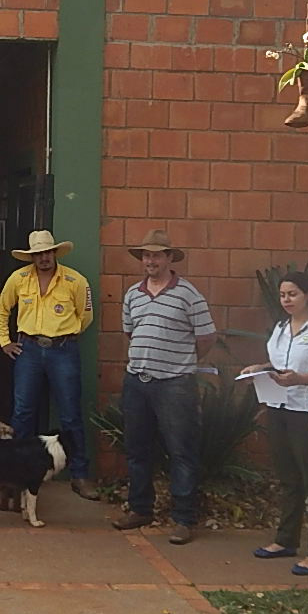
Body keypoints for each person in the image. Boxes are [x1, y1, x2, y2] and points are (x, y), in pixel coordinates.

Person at [109, 230, 217, 543]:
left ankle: (183, 519)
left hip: (175, 385)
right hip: (137, 382)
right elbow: (132, 334)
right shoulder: (132, 294)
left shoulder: (189, 295)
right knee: (137, 450)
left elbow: (206, 337)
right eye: (146, 255)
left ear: (170, 258)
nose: (150, 261)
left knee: (182, 452)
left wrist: (179, 363)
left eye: (157, 255)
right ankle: (141, 508)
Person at [0, 229, 100, 500]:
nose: (43, 258)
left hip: (63, 349)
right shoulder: (18, 279)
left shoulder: (75, 280)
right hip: (27, 349)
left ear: (55, 253)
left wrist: (66, 334)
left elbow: (85, 316)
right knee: (23, 413)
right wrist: (5, 341)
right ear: (32, 257)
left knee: (70, 414)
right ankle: (13, 473)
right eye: (38, 254)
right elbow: (1, 309)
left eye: (47, 252)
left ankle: (79, 474)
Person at [248, 271, 308, 575]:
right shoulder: (281, 327)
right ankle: (286, 540)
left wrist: (302, 380)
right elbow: (279, 364)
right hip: (279, 407)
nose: (287, 300)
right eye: (283, 295)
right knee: (288, 479)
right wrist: (261, 368)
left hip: (307, 412)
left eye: (293, 294)